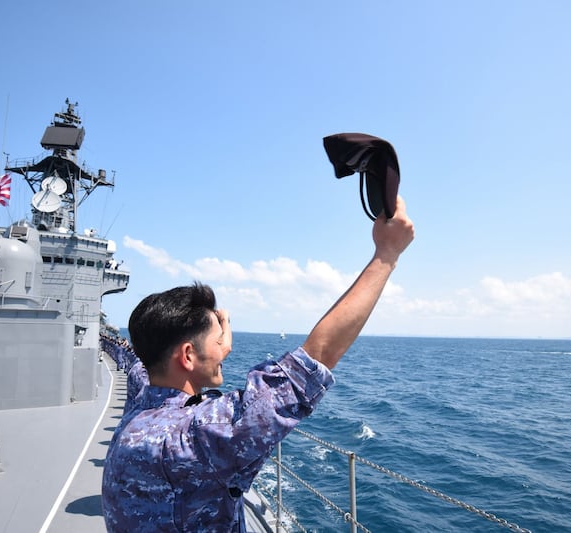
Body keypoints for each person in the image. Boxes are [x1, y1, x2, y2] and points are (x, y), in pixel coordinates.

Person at [102, 196, 415, 532]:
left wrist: (220, 325)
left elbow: (209, 360)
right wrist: (387, 255)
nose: (223, 347)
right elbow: (315, 359)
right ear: (189, 356)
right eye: (216, 339)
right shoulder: (194, 437)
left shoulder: (138, 415)